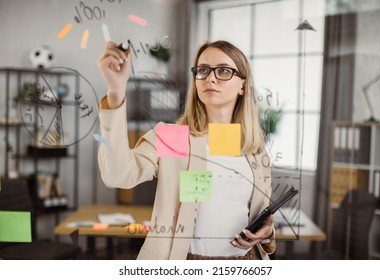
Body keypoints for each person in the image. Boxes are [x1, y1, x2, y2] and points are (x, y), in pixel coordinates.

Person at [97, 39, 276, 260]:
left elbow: (257, 216)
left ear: (243, 85)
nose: (210, 78)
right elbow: (118, 175)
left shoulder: (254, 149)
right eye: (202, 70)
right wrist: (116, 93)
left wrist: (267, 232)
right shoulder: (176, 137)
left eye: (223, 71)